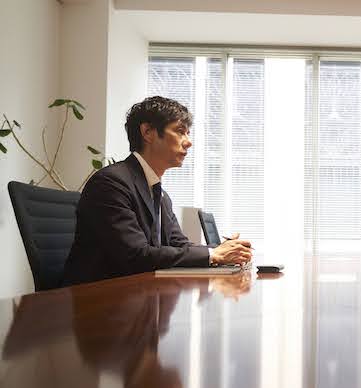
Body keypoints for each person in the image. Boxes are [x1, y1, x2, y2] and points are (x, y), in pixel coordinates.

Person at [63, 96, 252, 285]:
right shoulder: (111, 183)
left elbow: (179, 245)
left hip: (138, 294)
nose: (188, 142)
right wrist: (213, 254)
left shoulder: (160, 194)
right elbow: (137, 256)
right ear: (148, 132)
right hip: (98, 300)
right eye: (180, 131)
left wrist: (223, 249)